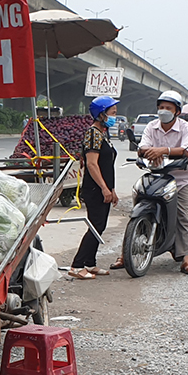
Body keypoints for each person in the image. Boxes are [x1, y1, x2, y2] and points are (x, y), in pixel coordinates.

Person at [139, 90, 188, 275]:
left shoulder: (186, 127)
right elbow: (142, 146)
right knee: (139, 200)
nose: (163, 111)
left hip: (183, 179)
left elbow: (187, 150)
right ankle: (128, 252)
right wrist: (149, 152)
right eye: (161, 107)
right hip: (157, 176)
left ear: (177, 112)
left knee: (184, 215)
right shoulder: (151, 126)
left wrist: (162, 151)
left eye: (168, 108)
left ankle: (187, 258)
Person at [68, 97, 121, 279]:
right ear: (101, 114)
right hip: (94, 189)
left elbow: (107, 165)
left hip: (104, 188)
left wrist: (112, 189)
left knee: (99, 225)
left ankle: (90, 263)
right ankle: (77, 265)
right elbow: (92, 165)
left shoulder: (102, 133)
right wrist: (104, 188)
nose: (115, 117)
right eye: (112, 113)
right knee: (95, 226)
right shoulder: (92, 134)